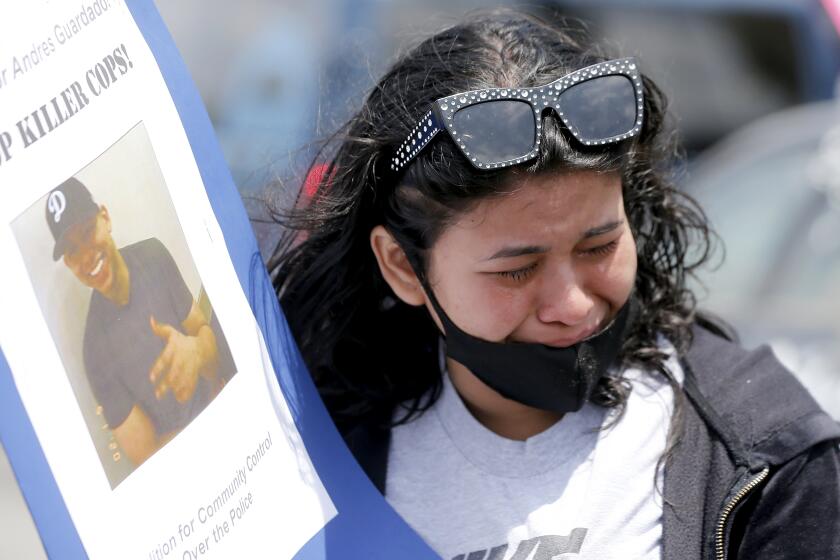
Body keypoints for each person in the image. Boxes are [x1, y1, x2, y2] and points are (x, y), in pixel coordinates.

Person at [269, 11, 840, 559]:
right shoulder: (311, 457)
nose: (572, 305)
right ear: (401, 266)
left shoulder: (767, 451)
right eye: (516, 270)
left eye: (599, 248)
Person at [46, 177, 235, 467]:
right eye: (72, 251)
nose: (86, 256)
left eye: (87, 231)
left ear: (105, 218)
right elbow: (148, 458)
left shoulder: (153, 255)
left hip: (227, 401)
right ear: (69, 264)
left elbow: (202, 330)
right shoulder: (94, 354)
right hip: (189, 466)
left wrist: (197, 353)